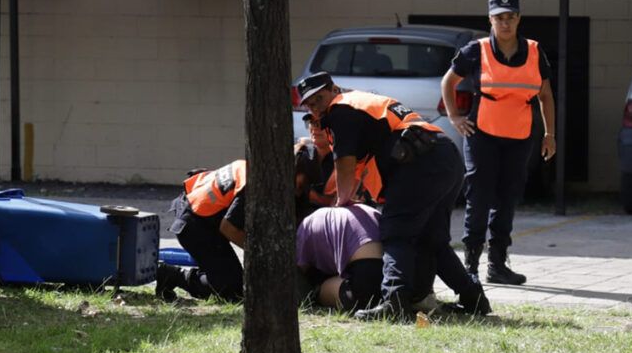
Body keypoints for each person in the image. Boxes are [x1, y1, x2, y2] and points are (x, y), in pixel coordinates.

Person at [295, 71, 491, 321]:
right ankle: (473, 298)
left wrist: (341, 202)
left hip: (417, 164)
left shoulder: (340, 110)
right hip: (443, 156)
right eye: (309, 104)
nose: (316, 107)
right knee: (432, 239)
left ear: (333, 89)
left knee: (396, 234)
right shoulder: (358, 104)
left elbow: (344, 162)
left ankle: (393, 302)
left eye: (318, 99)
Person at [440, 0, 556, 285]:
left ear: (518, 19)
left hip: (518, 138)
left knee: (507, 199)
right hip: (483, 136)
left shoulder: (533, 51)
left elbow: (545, 95)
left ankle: (497, 265)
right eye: (499, 18)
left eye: (510, 17)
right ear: (490, 20)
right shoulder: (475, 51)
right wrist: (454, 117)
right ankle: (470, 268)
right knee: (479, 198)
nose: (505, 23)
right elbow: (448, 82)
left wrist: (549, 134)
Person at [156, 149, 320, 302]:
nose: (298, 193)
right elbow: (229, 228)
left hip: (206, 217)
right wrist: (262, 253)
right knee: (232, 290)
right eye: (298, 187)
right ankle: (173, 275)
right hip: (194, 223)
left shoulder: (267, 173)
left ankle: (212, 275)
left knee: (233, 279)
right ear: (289, 172)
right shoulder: (256, 184)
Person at [296, 204, 384, 312]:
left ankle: (317, 294)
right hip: (390, 281)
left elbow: (300, 270)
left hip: (361, 290)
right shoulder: (367, 209)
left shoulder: (306, 225)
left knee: (317, 289)